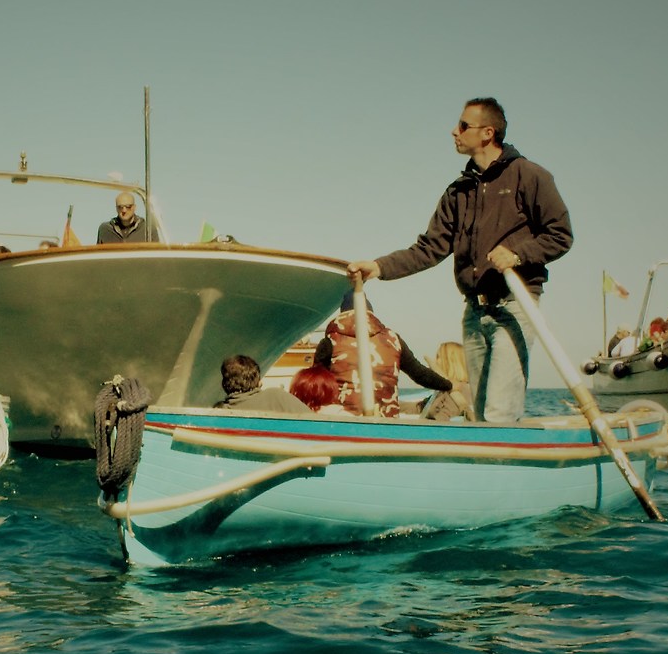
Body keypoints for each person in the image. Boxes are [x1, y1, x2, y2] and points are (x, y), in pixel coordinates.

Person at [349, 98, 571, 423]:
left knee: (499, 414)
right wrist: (379, 267)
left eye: (463, 125)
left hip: (514, 308)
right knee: (480, 415)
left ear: (487, 133)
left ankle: (501, 465)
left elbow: (560, 234)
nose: (454, 131)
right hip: (474, 313)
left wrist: (518, 254)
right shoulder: (458, 191)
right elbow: (429, 248)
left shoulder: (530, 176)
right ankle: (489, 467)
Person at [311, 298, 455, 415]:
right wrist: (448, 385)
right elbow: (419, 373)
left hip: (344, 419)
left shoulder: (330, 341)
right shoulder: (393, 339)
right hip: (386, 418)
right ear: (371, 314)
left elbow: (316, 382)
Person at [215, 354, 311, 414]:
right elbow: (315, 421)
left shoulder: (219, 411)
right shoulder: (275, 396)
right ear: (259, 382)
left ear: (224, 385)